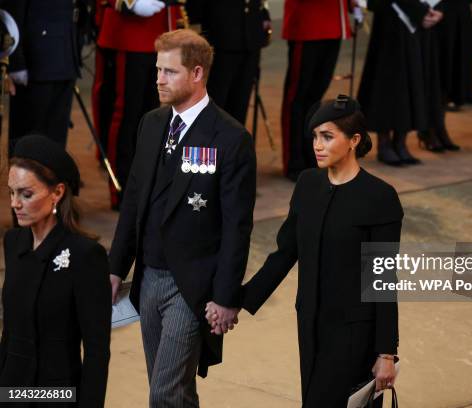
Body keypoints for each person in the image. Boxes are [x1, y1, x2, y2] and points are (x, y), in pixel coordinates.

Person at [212, 95, 402, 407]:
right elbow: (286, 252)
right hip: (310, 327)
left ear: (354, 140)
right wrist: (237, 300)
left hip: (353, 335)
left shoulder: (380, 197)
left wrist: (386, 354)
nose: (318, 144)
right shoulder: (308, 184)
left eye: (327, 136)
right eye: (315, 136)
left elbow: (382, 280)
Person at [108, 29, 256, 407]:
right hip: (147, 278)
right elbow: (134, 201)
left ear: (196, 74)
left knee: (164, 392)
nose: (158, 79)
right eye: (158, 70)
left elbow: (237, 226)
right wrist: (115, 268)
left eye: (169, 72)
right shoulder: (152, 124)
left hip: (192, 288)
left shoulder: (230, 138)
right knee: (176, 390)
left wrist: (225, 297)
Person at [1, 134, 111, 407]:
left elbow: (97, 352)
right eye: (11, 192)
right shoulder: (13, 243)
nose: (15, 203)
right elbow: (9, 335)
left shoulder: (85, 256)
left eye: (26, 194)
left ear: (58, 192)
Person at [93, 0, 185, 209]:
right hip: (129, 32)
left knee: (153, 117)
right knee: (126, 115)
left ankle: (147, 183)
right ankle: (122, 187)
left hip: (162, 30)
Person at [358, 0, 458, 167]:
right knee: (389, 84)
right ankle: (384, 142)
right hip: (392, 20)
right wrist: (421, 11)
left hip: (419, 22)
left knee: (414, 80)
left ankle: (400, 141)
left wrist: (436, 10)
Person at [280, 0, 352, 181]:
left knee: (315, 99)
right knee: (297, 98)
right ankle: (293, 160)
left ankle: (310, 154)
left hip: (333, 24)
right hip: (308, 24)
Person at [3, 0, 85, 154]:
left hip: (66, 57)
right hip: (35, 61)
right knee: (28, 141)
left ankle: (53, 177)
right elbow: (11, 12)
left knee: (56, 139)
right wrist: (15, 61)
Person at [188, 0, 271, 125]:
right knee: (214, 105)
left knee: (240, 105)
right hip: (220, 37)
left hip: (250, 36)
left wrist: (264, 14)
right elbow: (194, 10)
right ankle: (211, 143)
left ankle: (235, 143)